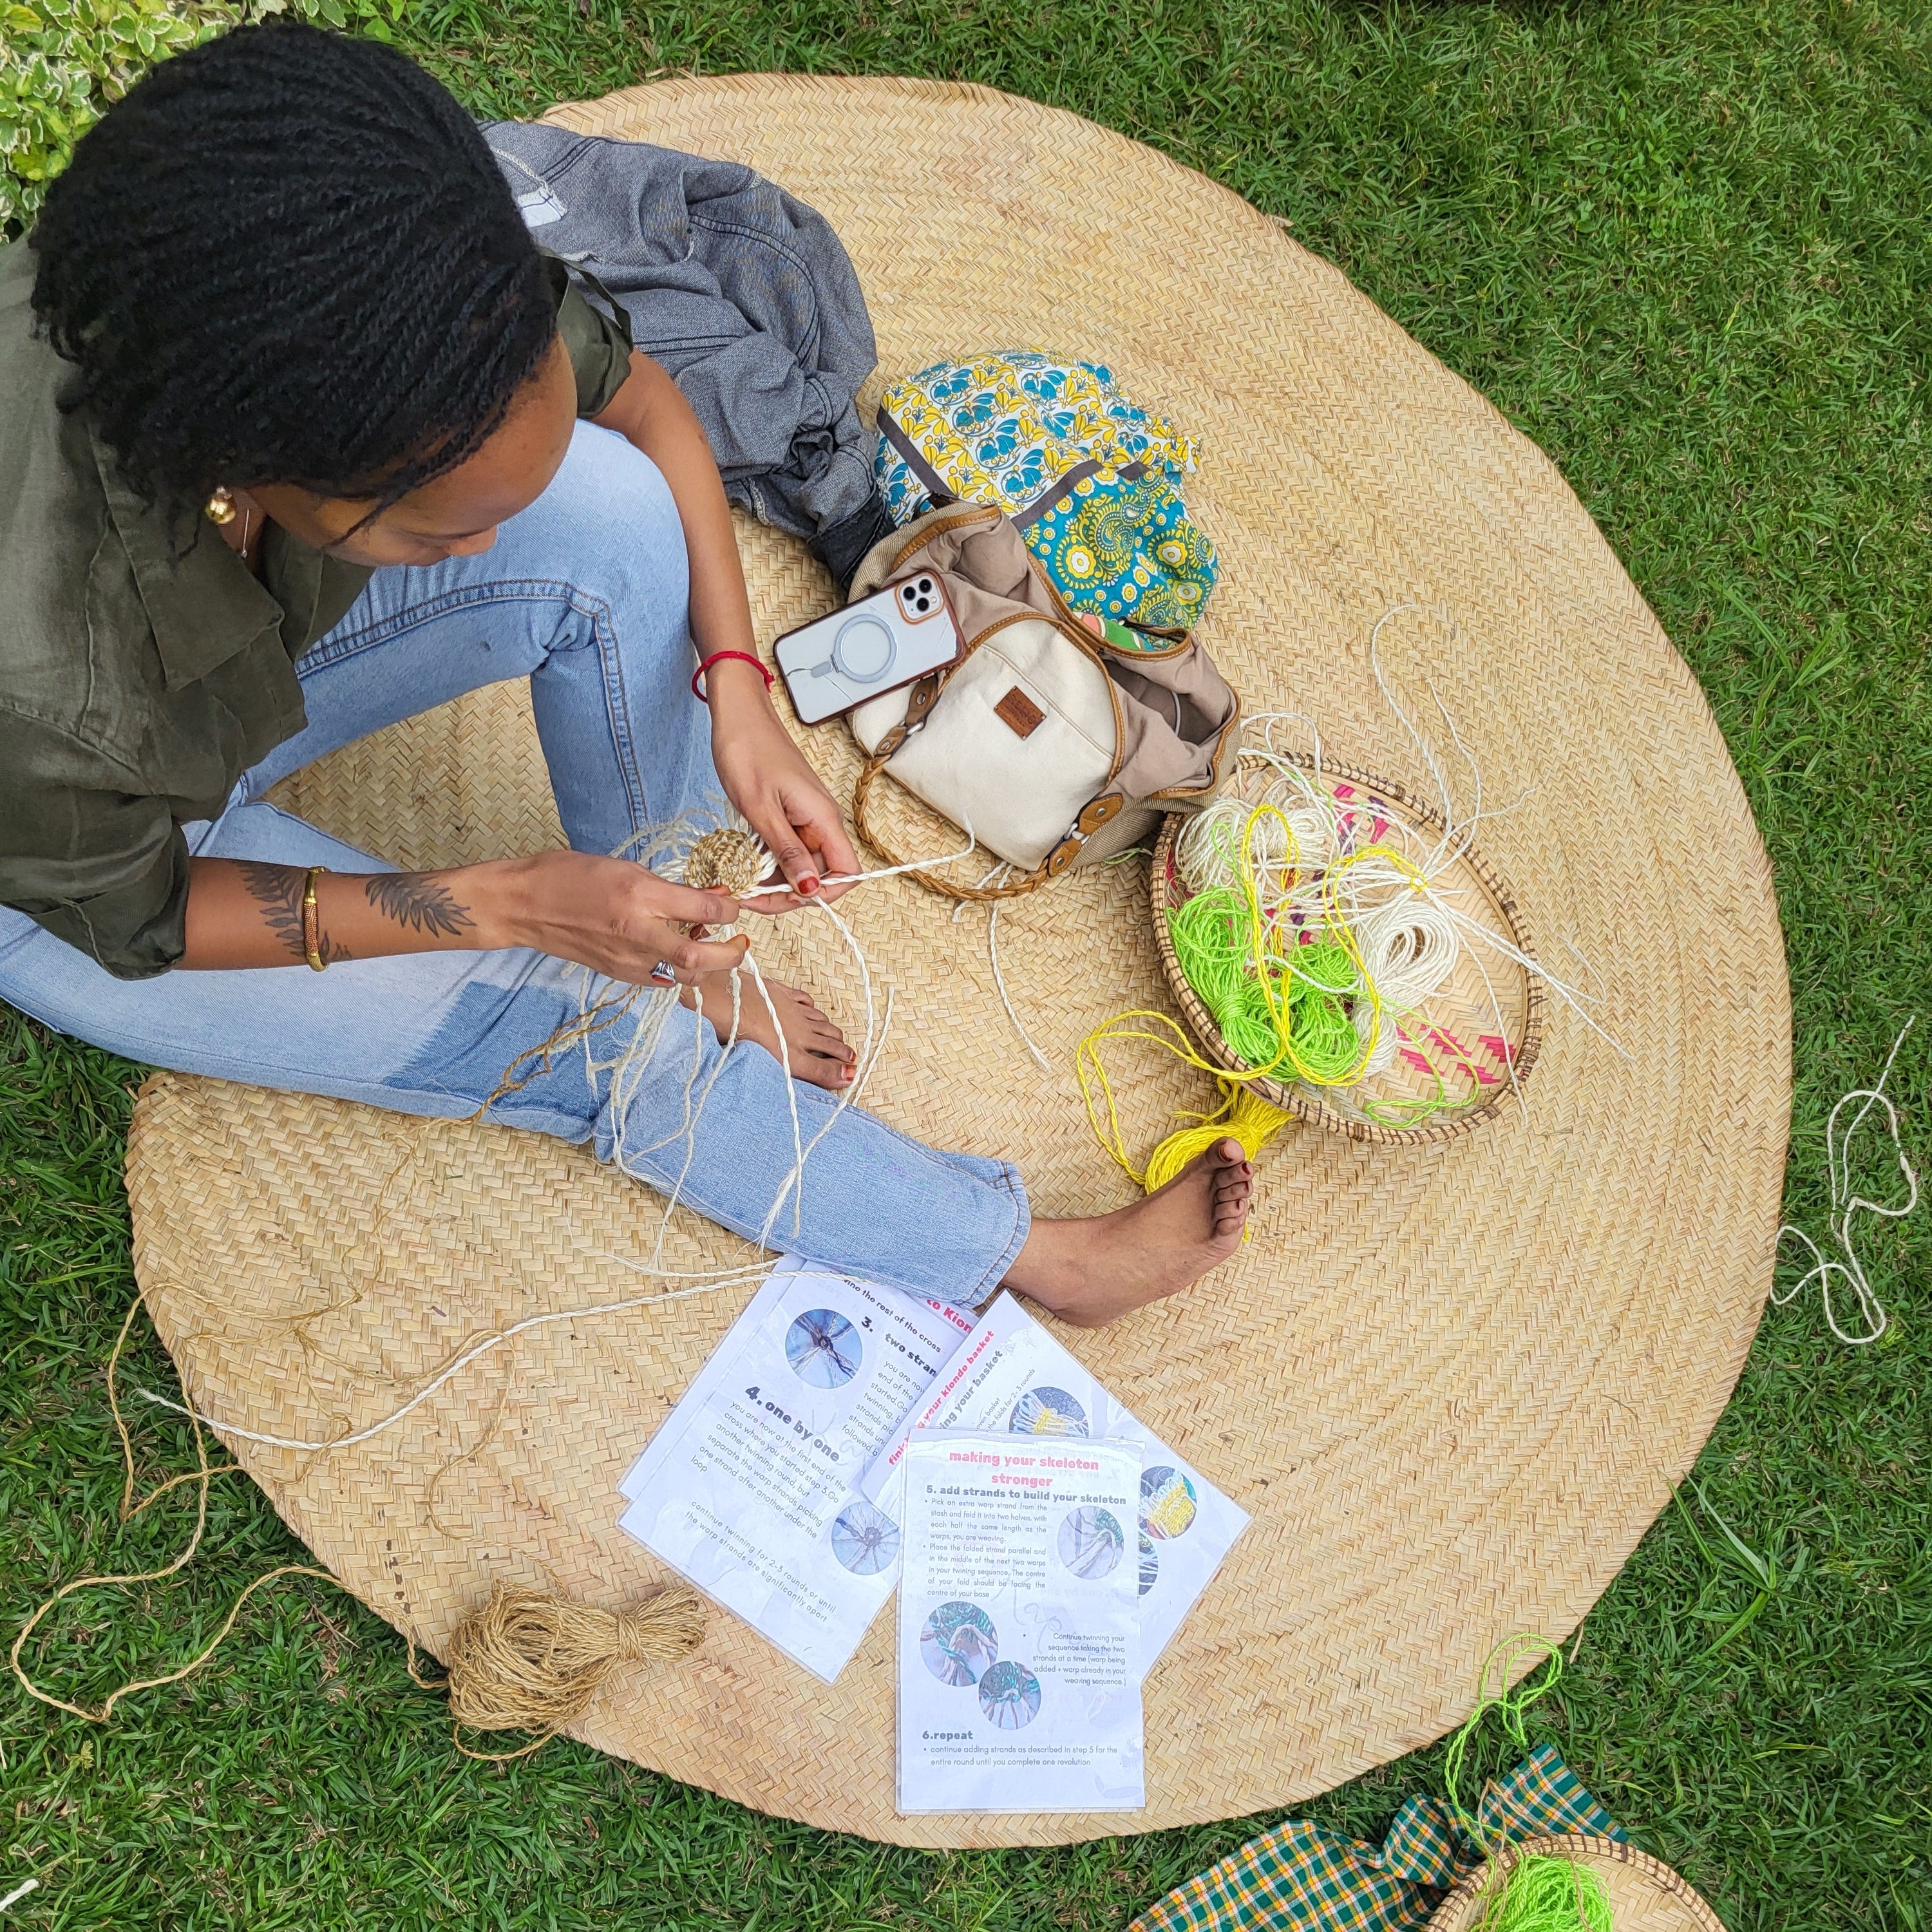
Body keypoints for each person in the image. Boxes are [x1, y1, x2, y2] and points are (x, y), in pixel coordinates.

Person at [0, 24, 1250, 1325]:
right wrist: (502, 904)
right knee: (571, 1031)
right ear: (245, 463)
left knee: (613, 514)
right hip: (71, 874)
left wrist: (736, 681)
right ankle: (1022, 1255)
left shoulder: (381, 292)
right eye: (435, 533)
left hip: (188, 687)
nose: (477, 555)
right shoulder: (39, 669)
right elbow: (145, 913)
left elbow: (643, 401)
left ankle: (680, 941)